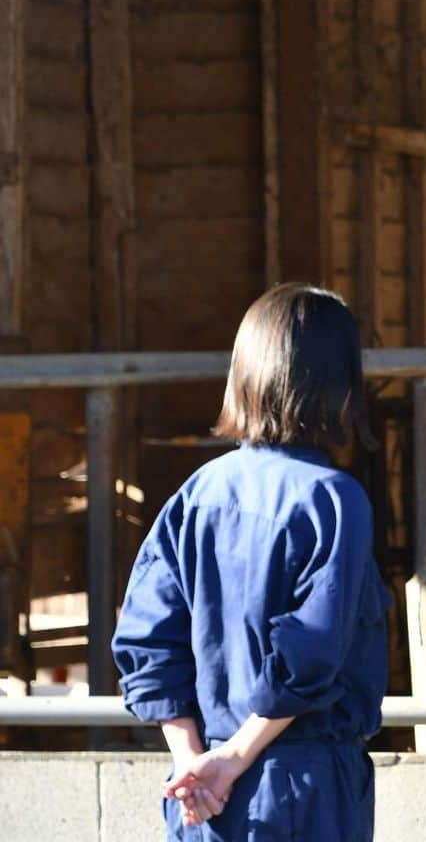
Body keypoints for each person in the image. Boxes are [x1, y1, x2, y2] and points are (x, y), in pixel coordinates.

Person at [112, 283, 391, 841]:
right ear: (338, 385)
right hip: (302, 783)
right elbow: (310, 654)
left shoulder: (196, 493)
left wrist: (195, 763)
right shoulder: (334, 500)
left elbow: (147, 641)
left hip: (200, 792)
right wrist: (236, 759)